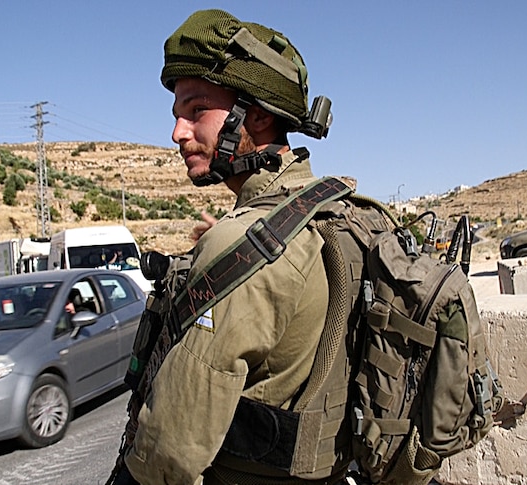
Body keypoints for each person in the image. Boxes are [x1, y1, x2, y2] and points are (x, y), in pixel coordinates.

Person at [121, 9, 344, 485]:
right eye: (177, 115)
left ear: (258, 113)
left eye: (196, 110)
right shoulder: (324, 209)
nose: (178, 133)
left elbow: (170, 454)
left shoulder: (248, 241)